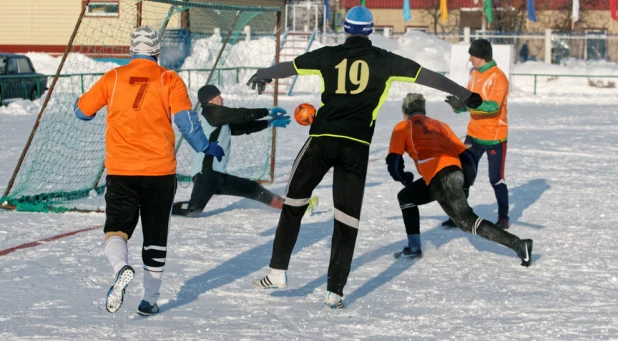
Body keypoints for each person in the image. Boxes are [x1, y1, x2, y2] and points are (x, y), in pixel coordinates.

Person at [246, 6, 484, 309]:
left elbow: (289, 67)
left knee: (294, 202)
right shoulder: (385, 60)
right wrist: (465, 94)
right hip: (355, 147)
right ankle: (334, 291)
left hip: (322, 140)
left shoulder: (328, 54)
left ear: (346, 29)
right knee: (346, 218)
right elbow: (429, 77)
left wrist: (265, 74)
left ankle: (277, 272)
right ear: (370, 31)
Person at [74, 26, 224, 316]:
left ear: (131, 50)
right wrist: (205, 147)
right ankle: (149, 300)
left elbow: (83, 112)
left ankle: (121, 267)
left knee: (116, 229)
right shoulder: (169, 79)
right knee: (156, 234)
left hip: (121, 171)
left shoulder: (113, 78)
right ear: (157, 51)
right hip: (159, 172)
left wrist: (80, 105)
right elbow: (187, 124)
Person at [387, 93, 533, 266]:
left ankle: (519, 244)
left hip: (441, 177)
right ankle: (413, 248)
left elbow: (394, 163)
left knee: (467, 222)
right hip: (450, 173)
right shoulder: (441, 125)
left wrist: (404, 177)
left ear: (405, 112)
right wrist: (465, 183)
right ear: (423, 110)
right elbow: (467, 157)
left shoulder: (402, 127)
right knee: (406, 197)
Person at [171, 85, 318, 216]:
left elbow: (241, 128)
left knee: (253, 188)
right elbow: (240, 115)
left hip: (218, 175)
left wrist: (269, 122)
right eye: (219, 96)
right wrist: (267, 111)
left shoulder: (218, 118)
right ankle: (164, 208)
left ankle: (295, 209)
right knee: (194, 208)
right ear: (212, 99)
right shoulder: (211, 113)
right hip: (206, 173)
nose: (222, 98)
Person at [444, 39, 511, 230]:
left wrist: (469, 104)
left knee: (495, 179)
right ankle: (458, 215)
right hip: (473, 134)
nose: (469, 58)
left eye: (472, 54)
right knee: (463, 174)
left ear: (480, 57)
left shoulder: (499, 77)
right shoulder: (474, 75)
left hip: (494, 138)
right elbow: (470, 100)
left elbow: (492, 107)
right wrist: (459, 106)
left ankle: (503, 217)